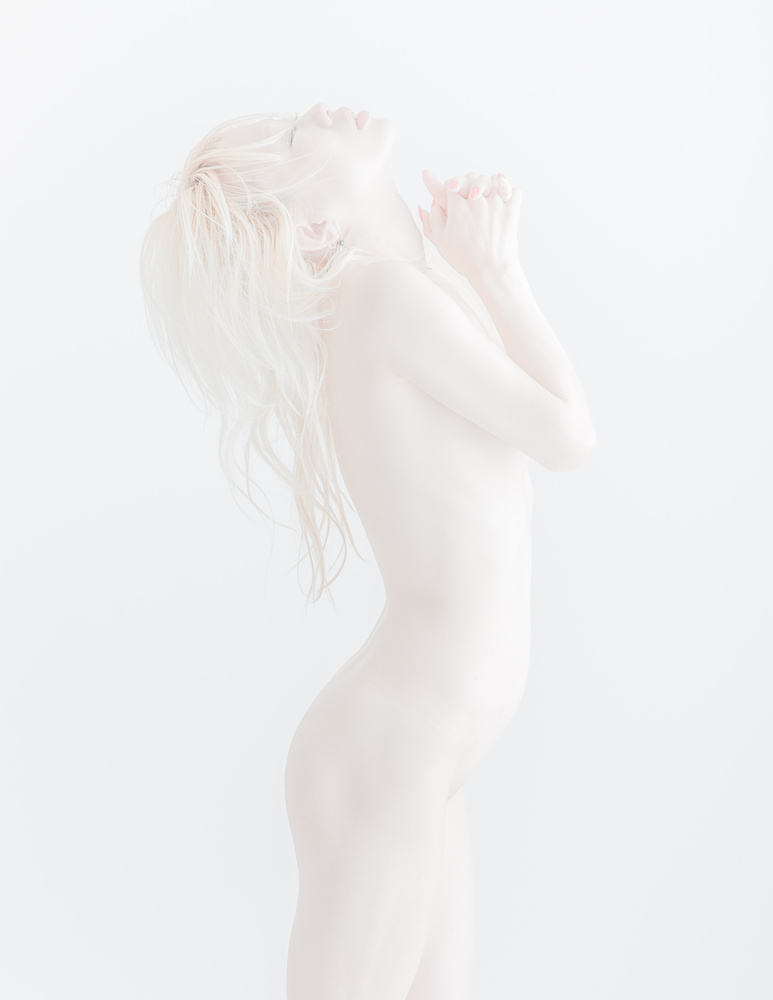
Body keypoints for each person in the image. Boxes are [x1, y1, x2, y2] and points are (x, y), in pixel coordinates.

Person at [140, 101, 596, 1000]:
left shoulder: (403, 290)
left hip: (417, 746)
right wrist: (499, 270)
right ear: (314, 228)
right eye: (288, 142)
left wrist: (476, 270)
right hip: (393, 747)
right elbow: (567, 436)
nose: (310, 115)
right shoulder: (381, 299)